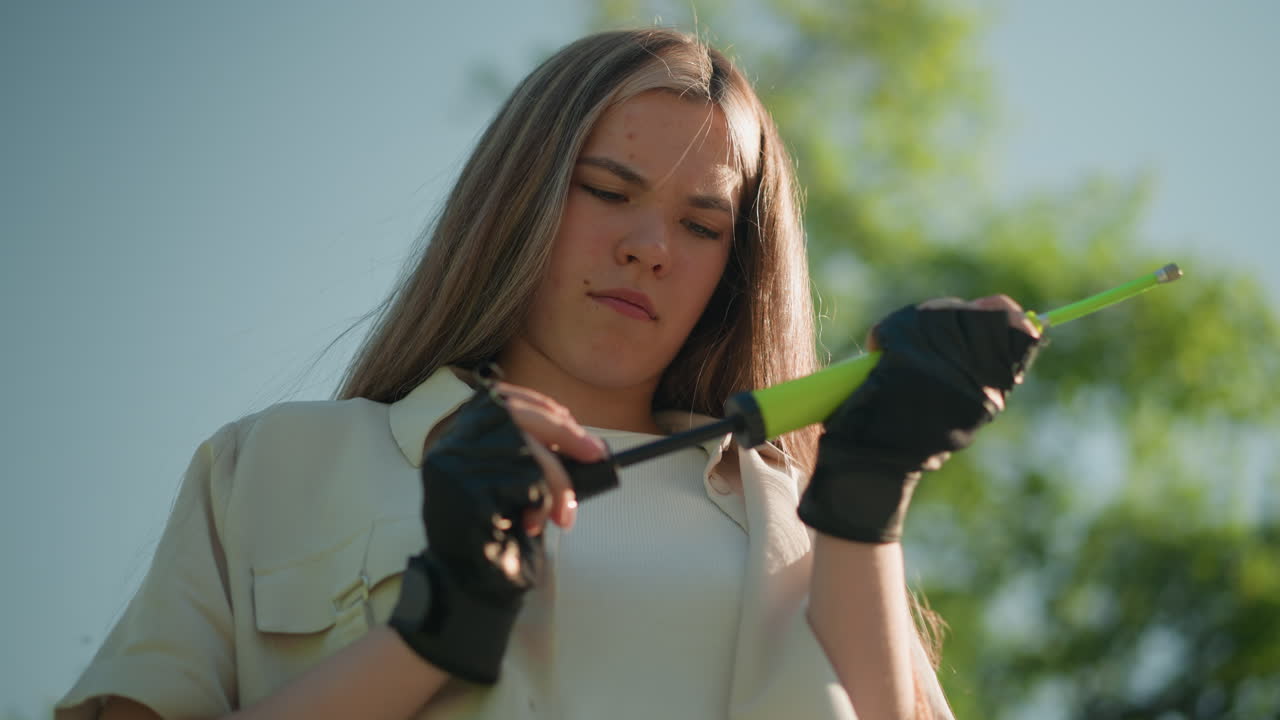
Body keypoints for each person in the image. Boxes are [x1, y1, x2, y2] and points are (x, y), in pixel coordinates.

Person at [56, 28, 1041, 720]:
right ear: (515, 201)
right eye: (608, 190)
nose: (651, 247)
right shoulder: (271, 466)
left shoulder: (806, 530)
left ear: (732, 271)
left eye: (701, 226)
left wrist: (864, 501)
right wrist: (430, 636)